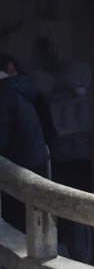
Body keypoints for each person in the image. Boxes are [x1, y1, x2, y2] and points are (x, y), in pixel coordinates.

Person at [0, 53, 51, 232]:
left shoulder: (5, 94)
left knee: (19, 223)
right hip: (38, 158)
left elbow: (2, 138)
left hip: (21, 164)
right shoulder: (22, 88)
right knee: (35, 219)